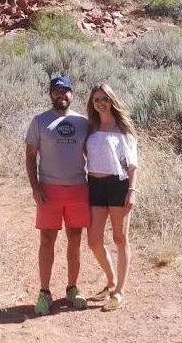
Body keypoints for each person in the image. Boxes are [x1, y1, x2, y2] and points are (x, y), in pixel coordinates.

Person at [25, 75, 91, 316]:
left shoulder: (83, 122)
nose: (60, 95)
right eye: (56, 91)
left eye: (65, 91)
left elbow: (91, 154)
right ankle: (44, 292)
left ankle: (72, 289)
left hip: (78, 189)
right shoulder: (40, 122)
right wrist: (35, 187)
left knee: (75, 240)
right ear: (50, 94)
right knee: (47, 241)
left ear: (72, 94)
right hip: (49, 191)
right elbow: (30, 155)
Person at [85, 83, 139, 312]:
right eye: (96, 99)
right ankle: (111, 280)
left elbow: (133, 165)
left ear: (111, 100)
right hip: (95, 185)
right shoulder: (91, 127)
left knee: (120, 238)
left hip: (118, 185)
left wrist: (132, 190)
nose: (100, 103)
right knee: (94, 240)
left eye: (104, 98)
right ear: (92, 103)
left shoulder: (123, 129)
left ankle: (119, 292)